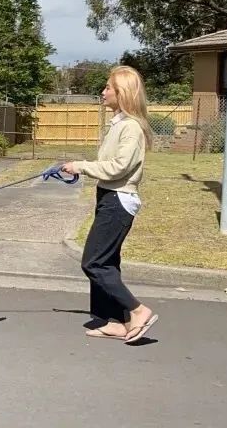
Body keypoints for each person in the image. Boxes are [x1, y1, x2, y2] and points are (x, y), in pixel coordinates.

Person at [61, 65, 158, 344]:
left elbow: (118, 167)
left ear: (123, 93)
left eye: (107, 88)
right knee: (108, 262)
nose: (102, 92)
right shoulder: (120, 123)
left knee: (93, 262)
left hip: (118, 199)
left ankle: (139, 311)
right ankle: (116, 322)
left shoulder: (130, 127)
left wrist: (79, 166)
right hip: (108, 197)